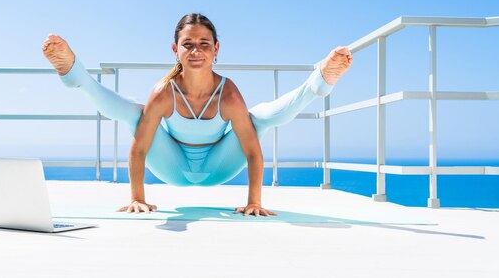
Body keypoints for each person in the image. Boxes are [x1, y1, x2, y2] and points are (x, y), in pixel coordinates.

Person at [42, 13, 352, 217]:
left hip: (219, 166)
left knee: (257, 119)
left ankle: (318, 82)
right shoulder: (164, 91)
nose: (196, 51)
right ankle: (74, 73)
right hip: (172, 166)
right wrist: (137, 197)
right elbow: (140, 147)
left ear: (216, 49)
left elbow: (252, 151)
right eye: (187, 44)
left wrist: (254, 202)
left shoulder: (228, 93)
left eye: (204, 44)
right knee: (135, 114)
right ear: (174, 50)